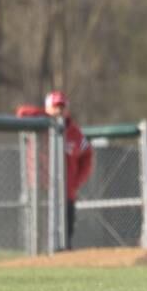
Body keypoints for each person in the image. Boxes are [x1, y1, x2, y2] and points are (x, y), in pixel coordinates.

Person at [43, 91, 93, 250]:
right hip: (42, 191)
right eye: (55, 106)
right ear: (47, 108)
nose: (59, 110)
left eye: (62, 107)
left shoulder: (74, 132)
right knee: (42, 235)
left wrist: (77, 181)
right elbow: (21, 112)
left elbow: (88, 154)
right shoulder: (38, 126)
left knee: (67, 233)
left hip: (67, 192)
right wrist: (42, 116)